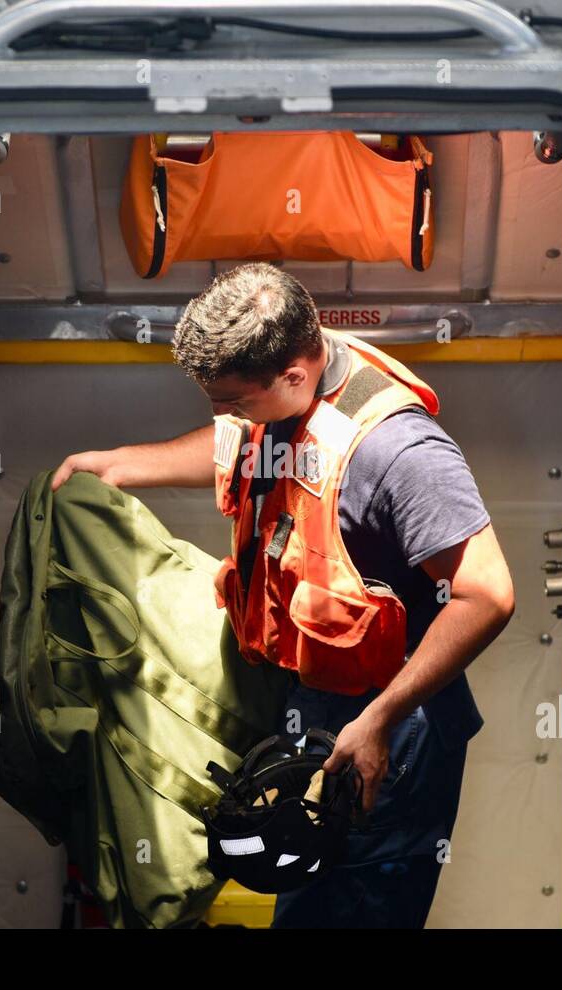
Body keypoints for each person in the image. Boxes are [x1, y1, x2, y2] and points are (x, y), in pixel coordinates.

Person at [52, 263, 514, 927]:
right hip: (319, 711)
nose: (226, 417)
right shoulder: (289, 396)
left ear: (294, 375)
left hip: (393, 732)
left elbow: (489, 595)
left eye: (236, 401)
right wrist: (120, 464)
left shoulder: (401, 452)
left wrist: (380, 719)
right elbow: (236, 444)